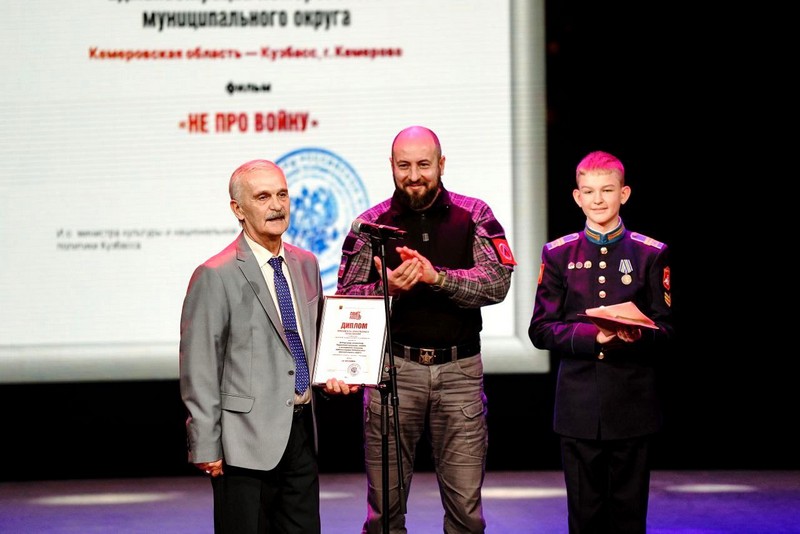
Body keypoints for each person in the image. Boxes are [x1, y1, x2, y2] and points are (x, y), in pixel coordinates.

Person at [336, 125, 516, 533]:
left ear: (441, 164)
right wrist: (388, 289)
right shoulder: (370, 225)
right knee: (384, 515)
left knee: (466, 514)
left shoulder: (475, 214)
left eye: (423, 164)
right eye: (404, 165)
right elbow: (346, 299)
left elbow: (497, 283)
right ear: (391, 166)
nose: (414, 175)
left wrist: (438, 278)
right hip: (393, 373)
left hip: (459, 374)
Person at [179, 159, 358, 534]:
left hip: (301, 434)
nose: (276, 205)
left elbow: (311, 342)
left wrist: (333, 376)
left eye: (282, 194)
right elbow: (200, 368)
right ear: (238, 209)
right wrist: (205, 444)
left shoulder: (306, 263)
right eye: (263, 197)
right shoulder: (215, 274)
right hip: (243, 443)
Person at [528, 150, 675, 534]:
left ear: (624, 194)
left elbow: (666, 329)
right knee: (584, 518)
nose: (598, 199)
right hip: (579, 408)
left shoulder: (650, 252)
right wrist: (593, 335)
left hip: (632, 406)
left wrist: (635, 333)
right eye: (589, 191)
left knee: (629, 518)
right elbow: (540, 329)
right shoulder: (558, 253)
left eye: (607, 190)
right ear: (577, 197)